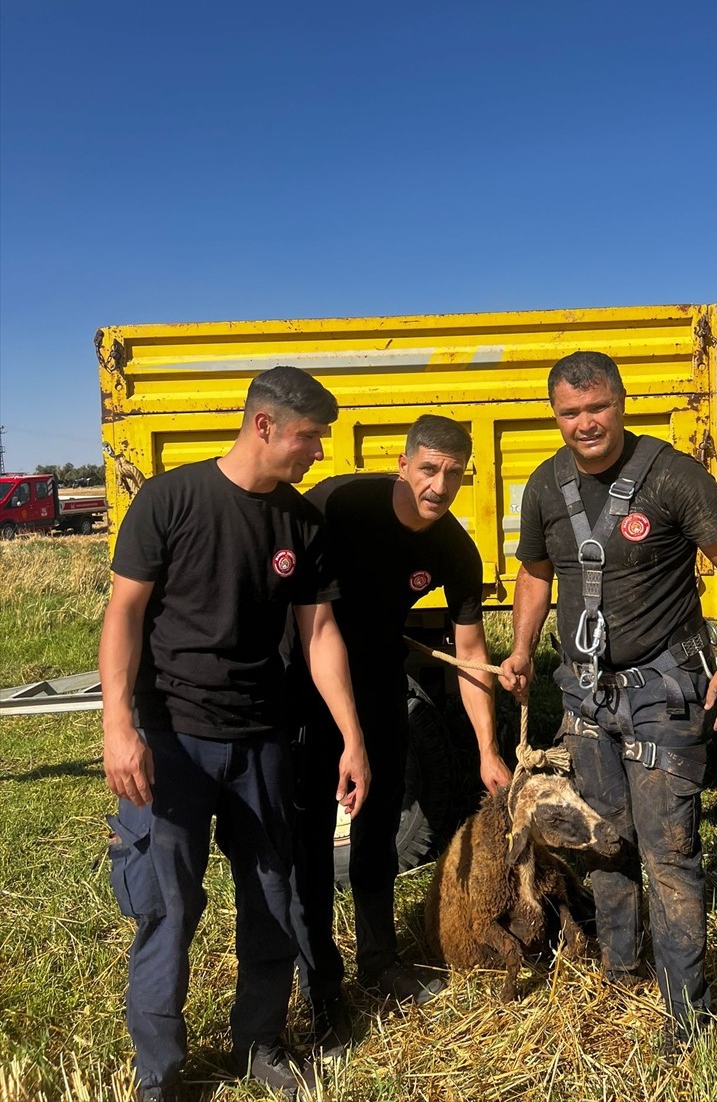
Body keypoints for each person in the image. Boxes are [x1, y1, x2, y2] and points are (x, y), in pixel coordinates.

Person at [100, 366, 370, 1102]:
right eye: (309, 438)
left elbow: (319, 634)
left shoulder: (301, 523)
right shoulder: (171, 499)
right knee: (168, 910)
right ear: (264, 426)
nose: (317, 452)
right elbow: (123, 614)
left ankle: (259, 1042)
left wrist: (351, 735)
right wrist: (119, 725)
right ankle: (160, 1075)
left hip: (262, 740)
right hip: (171, 740)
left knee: (270, 897)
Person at [498, 351, 717, 1050]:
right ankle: (621, 970)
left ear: (621, 401)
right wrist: (522, 648)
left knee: (668, 855)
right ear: (556, 415)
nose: (586, 423)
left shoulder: (673, 475)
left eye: (597, 407)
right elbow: (534, 574)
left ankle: (688, 1017)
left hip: (664, 691)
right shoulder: (545, 486)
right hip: (586, 696)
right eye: (570, 412)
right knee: (606, 844)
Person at [290, 414, 511, 1056]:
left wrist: (488, 751)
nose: (439, 485)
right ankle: (320, 991)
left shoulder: (452, 548)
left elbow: (471, 655)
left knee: (378, 830)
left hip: (381, 689)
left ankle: (379, 964)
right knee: (308, 841)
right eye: (429, 468)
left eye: (453, 473)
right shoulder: (338, 502)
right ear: (404, 464)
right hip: (306, 690)